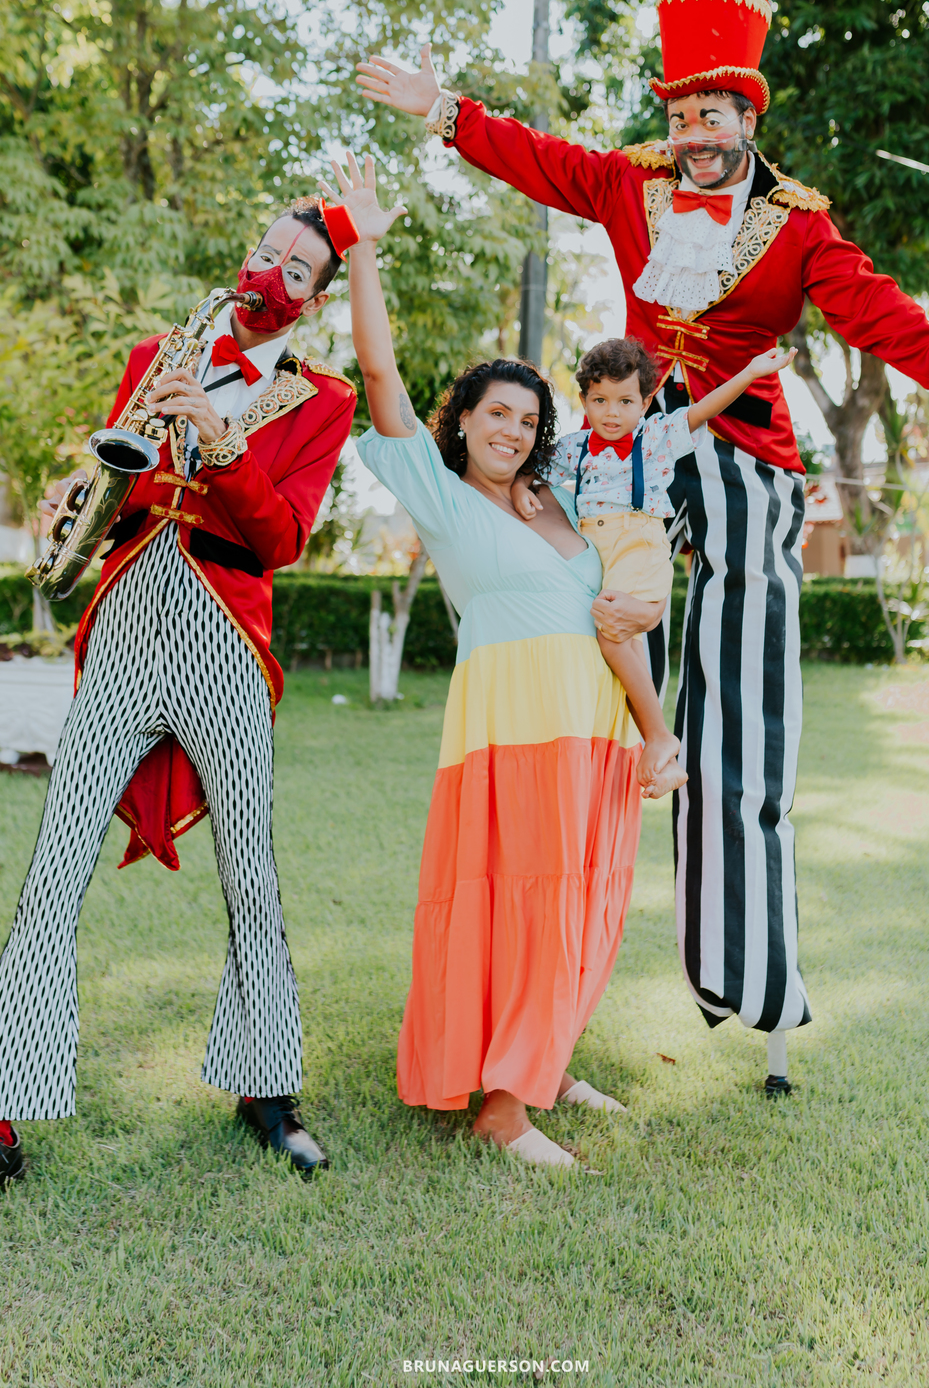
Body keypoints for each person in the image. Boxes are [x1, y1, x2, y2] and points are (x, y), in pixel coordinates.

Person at [357, 0, 929, 1093]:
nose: (694, 133)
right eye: (680, 113)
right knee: (590, 651)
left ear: (749, 119)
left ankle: (747, 966)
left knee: (743, 717)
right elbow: (535, 158)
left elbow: (870, 304)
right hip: (630, 455)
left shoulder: (799, 225)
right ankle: (551, 963)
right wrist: (445, 109)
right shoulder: (631, 184)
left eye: (713, 114)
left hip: (741, 459)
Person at [0, 197, 359, 1237]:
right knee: (53, 867)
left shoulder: (324, 397)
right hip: (125, 615)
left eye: (297, 267)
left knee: (252, 872)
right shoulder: (164, 348)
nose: (270, 271)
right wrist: (82, 487)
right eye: (265, 250)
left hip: (227, 626)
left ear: (318, 296)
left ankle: (266, 1089)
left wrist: (222, 440)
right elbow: (122, 466)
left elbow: (284, 536)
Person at [332, 150, 641, 1169]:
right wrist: (362, 248)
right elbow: (377, 373)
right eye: (497, 413)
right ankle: (502, 1103)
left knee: (587, 895)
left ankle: (543, 1058)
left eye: (529, 418)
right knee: (530, 896)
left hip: (597, 719)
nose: (515, 429)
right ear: (461, 420)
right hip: (515, 720)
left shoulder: (560, 500)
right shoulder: (439, 490)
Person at [511, 334, 794, 798]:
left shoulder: (656, 437)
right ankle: (663, 760)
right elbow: (533, 466)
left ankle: (660, 736)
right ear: (584, 400)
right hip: (597, 551)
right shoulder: (575, 446)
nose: (612, 413)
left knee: (610, 633)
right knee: (628, 655)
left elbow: (705, 409)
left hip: (638, 545)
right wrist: (523, 484)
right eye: (600, 400)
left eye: (625, 401)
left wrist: (749, 373)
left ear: (645, 401)